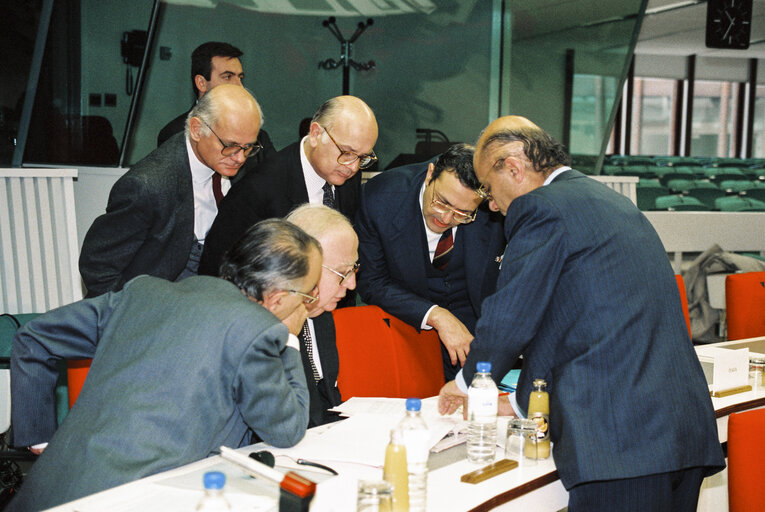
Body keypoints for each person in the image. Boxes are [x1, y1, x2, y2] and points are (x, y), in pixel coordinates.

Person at [437, 116, 724, 511]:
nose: (490, 202)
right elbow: (590, 325)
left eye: (488, 186)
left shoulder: (540, 208)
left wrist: (468, 384)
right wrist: (521, 403)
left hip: (621, 444)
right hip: (677, 429)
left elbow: (511, 317)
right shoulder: (609, 201)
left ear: (513, 167)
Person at [8, 219, 321, 511]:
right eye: (307, 296)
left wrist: (40, 437)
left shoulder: (142, 291)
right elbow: (286, 430)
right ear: (278, 298)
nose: (309, 305)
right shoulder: (258, 328)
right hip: (135, 499)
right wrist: (289, 339)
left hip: (51, 489)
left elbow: (33, 336)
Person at [79, 84, 262, 297]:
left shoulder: (237, 167)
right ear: (196, 129)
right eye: (230, 145)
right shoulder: (147, 186)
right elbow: (98, 268)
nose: (239, 157)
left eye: (248, 147)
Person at [355, 144, 505, 380]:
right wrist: (436, 315)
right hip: (407, 326)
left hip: (476, 334)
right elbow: (372, 281)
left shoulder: (496, 206)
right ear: (430, 174)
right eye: (441, 202)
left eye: (463, 214)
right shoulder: (381, 198)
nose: (446, 218)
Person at [198, 95, 378, 277]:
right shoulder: (256, 190)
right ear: (316, 134)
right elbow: (219, 273)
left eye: (363, 158)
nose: (353, 166)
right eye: (347, 152)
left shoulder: (345, 174)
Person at [286, 204, 359, 426]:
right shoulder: (269, 328)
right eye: (343, 273)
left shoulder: (323, 314)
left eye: (354, 269)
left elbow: (327, 401)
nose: (352, 284)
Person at [156, 41, 275, 168]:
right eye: (228, 77)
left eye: (240, 77)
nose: (239, 86)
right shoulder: (175, 135)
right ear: (201, 83)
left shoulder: (257, 138)